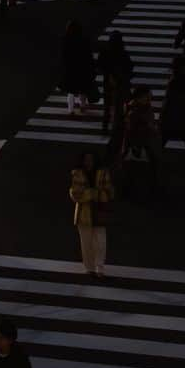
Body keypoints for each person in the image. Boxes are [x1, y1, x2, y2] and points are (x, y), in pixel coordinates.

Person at [70, 149, 114, 278]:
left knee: (100, 242)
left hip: (98, 212)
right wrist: (94, 194)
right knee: (86, 242)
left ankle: (99, 267)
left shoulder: (103, 173)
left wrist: (91, 194)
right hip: (84, 214)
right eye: (86, 160)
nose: (89, 162)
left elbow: (110, 191)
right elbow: (75, 194)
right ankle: (89, 267)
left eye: (91, 160)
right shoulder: (77, 173)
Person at [124, 85, 163, 199]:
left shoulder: (144, 107)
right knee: (141, 169)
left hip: (146, 142)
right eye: (148, 96)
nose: (150, 98)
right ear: (140, 97)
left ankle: (147, 189)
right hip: (142, 143)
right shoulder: (135, 111)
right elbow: (130, 131)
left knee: (143, 168)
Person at [97, 32, 133, 143]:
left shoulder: (104, 52)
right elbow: (130, 67)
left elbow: (100, 65)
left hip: (108, 81)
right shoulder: (123, 53)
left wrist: (108, 74)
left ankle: (104, 128)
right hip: (120, 82)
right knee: (118, 107)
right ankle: (116, 130)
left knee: (107, 106)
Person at [160, 58, 185, 158]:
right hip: (177, 113)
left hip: (172, 113)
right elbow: (179, 96)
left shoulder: (176, 78)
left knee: (167, 135)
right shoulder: (181, 79)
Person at [61, 20, 96, 116]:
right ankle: (83, 106)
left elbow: (63, 55)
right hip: (82, 67)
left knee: (71, 90)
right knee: (83, 88)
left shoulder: (66, 39)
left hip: (70, 68)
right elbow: (89, 55)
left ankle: (71, 110)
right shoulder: (84, 39)